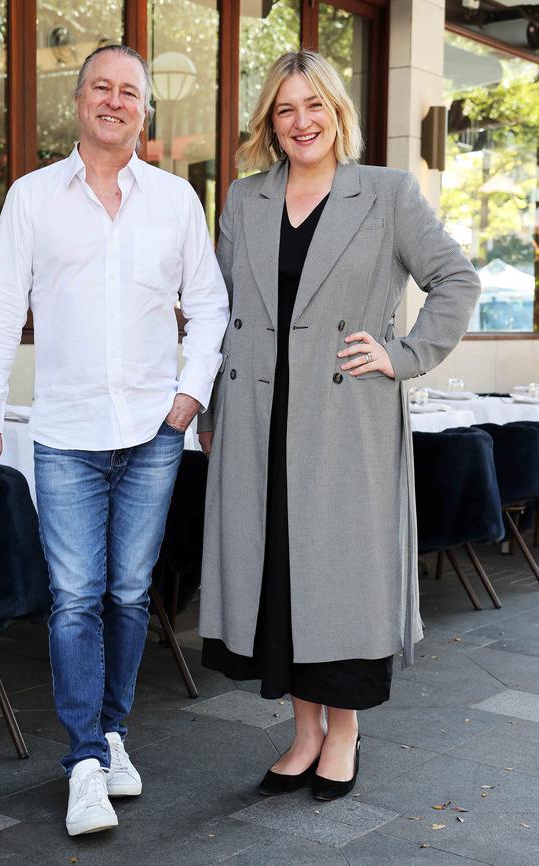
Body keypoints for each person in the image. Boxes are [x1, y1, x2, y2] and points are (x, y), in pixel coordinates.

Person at [198, 49, 480, 802]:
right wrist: (215, 414)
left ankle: (344, 733)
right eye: (286, 109)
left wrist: (404, 354)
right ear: (271, 122)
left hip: (346, 418)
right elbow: (221, 314)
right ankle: (303, 731)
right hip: (258, 419)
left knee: (341, 579)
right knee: (279, 576)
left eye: (314, 105)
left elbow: (457, 279)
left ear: (337, 113)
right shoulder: (244, 199)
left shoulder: (386, 194)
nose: (301, 121)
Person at [0, 44, 228, 835]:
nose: (115, 102)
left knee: (129, 593)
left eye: (130, 93)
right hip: (69, 432)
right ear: (77, 103)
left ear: (146, 111)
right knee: (75, 598)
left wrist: (191, 392)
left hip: (153, 433)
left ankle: (113, 734)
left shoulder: (177, 202)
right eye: (101, 89)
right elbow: (1, 310)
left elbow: (209, 306)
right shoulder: (32, 198)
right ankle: (83, 761)